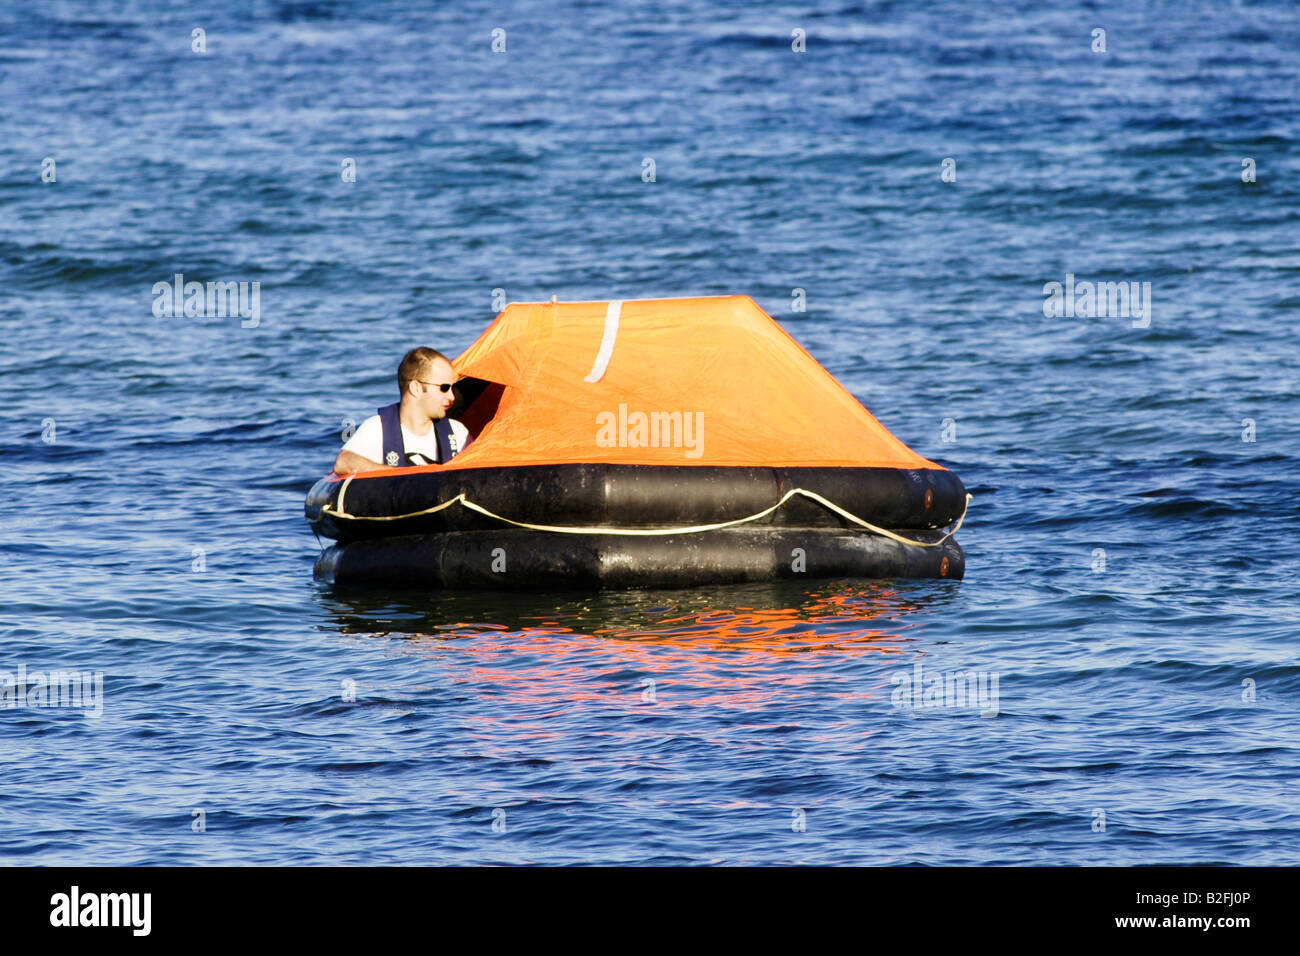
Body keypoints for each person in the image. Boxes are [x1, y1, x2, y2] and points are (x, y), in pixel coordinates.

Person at [333, 347, 471, 474]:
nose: (452, 396)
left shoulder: (457, 433)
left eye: (452, 389)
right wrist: (398, 476)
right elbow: (343, 462)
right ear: (415, 388)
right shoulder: (377, 429)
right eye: (444, 388)